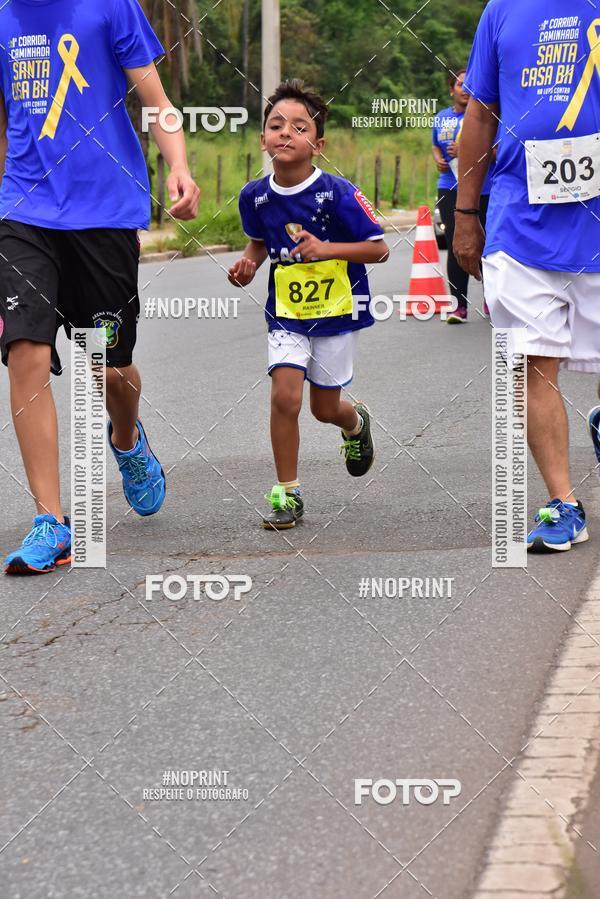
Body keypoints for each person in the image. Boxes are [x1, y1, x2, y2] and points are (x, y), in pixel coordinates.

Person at [0, 0, 200, 574]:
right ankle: (50, 521)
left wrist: (180, 166)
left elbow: (157, 104)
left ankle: (127, 436)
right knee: (26, 351)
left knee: (107, 364)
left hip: (106, 211)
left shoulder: (111, 6)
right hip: (24, 210)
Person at [455, 0, 600, 552]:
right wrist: (467, 214)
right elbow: (480, 114)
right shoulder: (502, 10)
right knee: (531, 364)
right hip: (521, 220)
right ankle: (563, 503)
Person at [228, 79, 389, 529]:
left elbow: (379, 249)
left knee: (323, 408)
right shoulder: (254, 197)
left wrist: (327, 249)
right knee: (284, 397)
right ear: (263, 140)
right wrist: (247, 263)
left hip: (336, 312)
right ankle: (288, 493)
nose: (285, 133)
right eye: (276, 125)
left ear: (317, 144)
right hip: (287, 315)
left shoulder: (337, 193)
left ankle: (354, 423)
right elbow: (258, 243)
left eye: (299, 127)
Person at [432, 68, 494, 323]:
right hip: (449, 187)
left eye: (471, 83)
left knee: (490, 247)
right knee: (457, 245)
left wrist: (469, 149)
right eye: (460, 84)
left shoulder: (488, 116)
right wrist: (439, 160)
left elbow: (497, 152)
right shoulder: (442, 118)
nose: (466, 88)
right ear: (452, 90)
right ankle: (459, 306)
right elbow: (436, 146)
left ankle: (493, 299)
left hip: (486, 188)